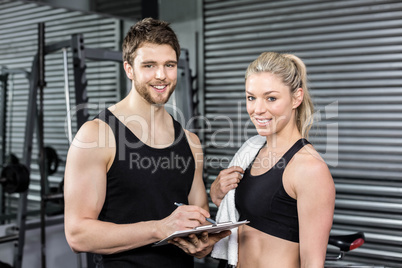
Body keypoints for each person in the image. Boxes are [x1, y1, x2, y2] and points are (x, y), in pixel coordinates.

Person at [64, 18, 229, 267]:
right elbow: (77, 234)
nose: (161, 75)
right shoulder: (97, 135)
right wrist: (158, 228)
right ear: (129, 69)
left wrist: (204, 242)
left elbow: (199, 220)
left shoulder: (191, 142)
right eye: (149, 65)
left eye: (169, 65)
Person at [210, 52, 336, 267]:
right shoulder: (252, 151)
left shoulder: (309, 168)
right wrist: (217, 192)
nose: (257, 109)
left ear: (296, 97)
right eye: (251, 97)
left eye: (271, 98)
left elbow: (312, 263)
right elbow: (237, 209)